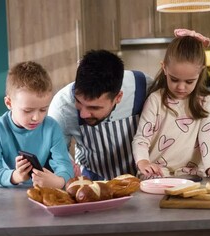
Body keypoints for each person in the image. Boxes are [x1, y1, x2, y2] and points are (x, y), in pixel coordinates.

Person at [132, 29, 210, 179]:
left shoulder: (204, 101)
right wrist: (143, 162)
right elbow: (141, 138)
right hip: (158, 174)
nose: (181, 87)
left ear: (200, 73)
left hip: (193, 175)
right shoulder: (155, 100)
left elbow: (207, 137)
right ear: (164, 68)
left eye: (189, 81)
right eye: (174, 79)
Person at [48, 50, 153, 180]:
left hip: (140, 181)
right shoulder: (62, 106)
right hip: (91, 183)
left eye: (94, 107)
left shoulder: (143, 87)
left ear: (118, 97)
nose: (84, 114)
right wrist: (68, 168)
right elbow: (57, 153)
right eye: (79, 102)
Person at [0, 61, 74, 188]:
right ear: (9, 103)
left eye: (43, 110)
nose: (36, 117)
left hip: (44, 193)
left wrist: (59, 182)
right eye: (27, 110)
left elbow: (65, 166)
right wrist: (15, 176)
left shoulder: (51, 127)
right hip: (8, 197)